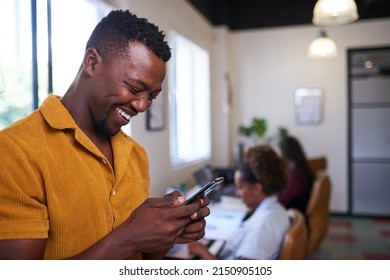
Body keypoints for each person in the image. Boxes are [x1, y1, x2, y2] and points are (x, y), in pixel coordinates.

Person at [0, 10, 210, 260]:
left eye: (152, 96)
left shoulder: (135, 154)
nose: (143, 106)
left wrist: (167, 232)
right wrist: (129, 236)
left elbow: (140, 261)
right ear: (91, 62)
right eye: (134, 88)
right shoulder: (14, 150)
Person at [188, 144, 289, 260]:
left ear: (256, 188)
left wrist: (203, 252)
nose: (237, 193)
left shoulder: (261, 228)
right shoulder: (278, 210)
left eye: (240, 188)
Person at [277, 136, 314, 214]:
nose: (278, 156)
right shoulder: (301, 169)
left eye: (279, 152)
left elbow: (280, 201)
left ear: (285, 154)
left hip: (294, 217)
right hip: (296, 214)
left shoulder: (295, 176)